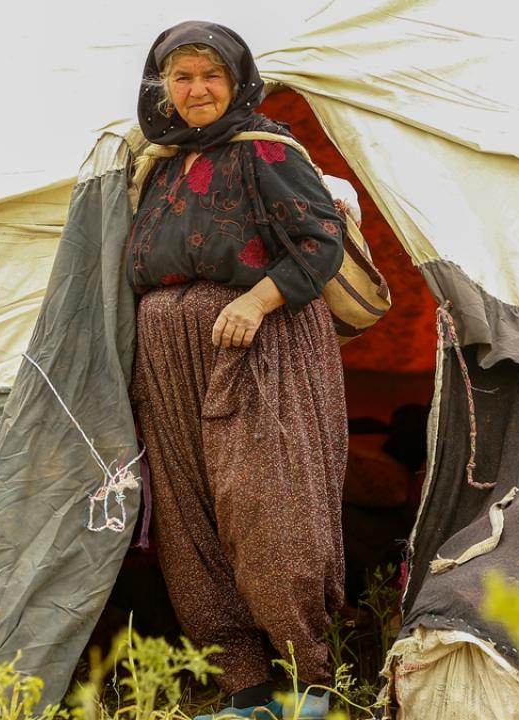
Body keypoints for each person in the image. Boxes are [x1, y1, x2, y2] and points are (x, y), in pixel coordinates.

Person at [127, 20, 348, 720]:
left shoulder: (267, 149)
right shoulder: (156, 162)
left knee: (270, 506)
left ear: (237, 80)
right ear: (163, 85)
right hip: (169, 359)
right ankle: (247, 691)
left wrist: (257, 301)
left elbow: (320, 243)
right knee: (191, 518)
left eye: (210, 75)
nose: (196, 90)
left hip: (260, 344)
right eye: (182, 77)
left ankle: (311, 681)